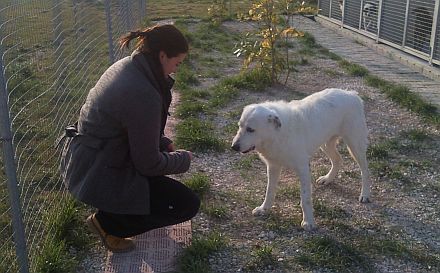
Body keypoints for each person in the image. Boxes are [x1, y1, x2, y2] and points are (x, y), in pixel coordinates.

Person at [58, 24, 200, 253]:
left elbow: (134, 125)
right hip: (98, 171)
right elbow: (148, 163)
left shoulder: (131, 66)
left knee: (157, 185)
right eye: (177, 63)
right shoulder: (142, 92)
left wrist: (163, 143)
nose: (176, 70)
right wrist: (182, 159)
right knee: (186, 204)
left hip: (91, 158)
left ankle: (122, 211)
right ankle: (107, 224)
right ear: (162, 55)